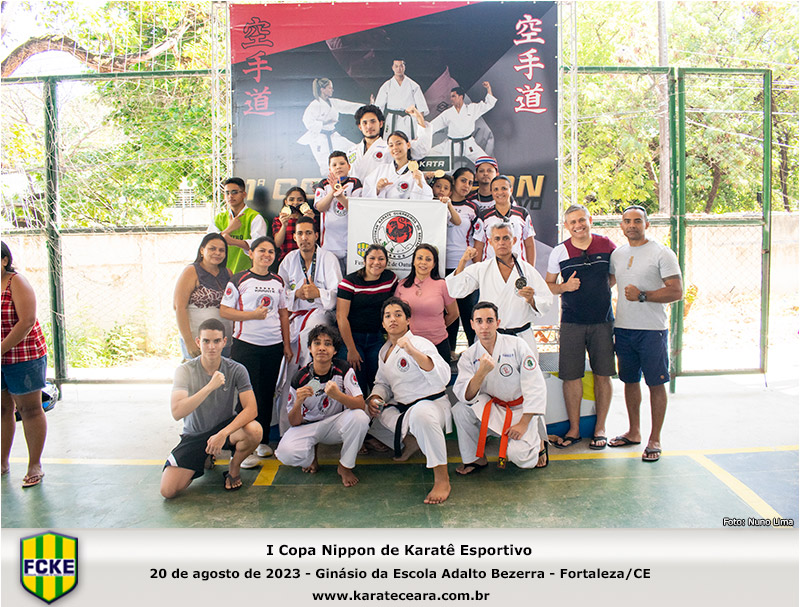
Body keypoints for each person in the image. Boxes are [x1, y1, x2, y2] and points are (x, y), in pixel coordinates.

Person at [609, 205, 683, 462]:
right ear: (621, 226)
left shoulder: (662, 253)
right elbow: (608, 282)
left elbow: (676, 291)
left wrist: (643, 295)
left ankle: (655, 439)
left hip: (652, 330)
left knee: (655, 383)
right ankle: (634, 431)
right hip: (624, 329)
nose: (632, 225)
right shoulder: (617, 254)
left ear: (647, 224)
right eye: (627, 221)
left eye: (637, 221)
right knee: (629, 381)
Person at [160, 319, 262, 497]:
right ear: (198, 342)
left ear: (224, 342)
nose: (211, 347)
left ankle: (233, 468)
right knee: (168, 491)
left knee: (254, 430)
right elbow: (177, 412)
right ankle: (205, 457)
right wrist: (209, 387)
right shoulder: (185, 370)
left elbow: (251, 410)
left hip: (224, 429)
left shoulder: (236, 369)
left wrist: (222, 434)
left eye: (216, 341)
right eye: (206, 341)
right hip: (195, 435)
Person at [365, 298, 452, 504]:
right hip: (405, 408)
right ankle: (410, 442)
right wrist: (376, 397)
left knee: (421, 415)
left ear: (408, 320)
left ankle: (442, 479)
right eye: (388, 316)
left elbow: (443, 376)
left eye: (398, 314)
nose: (393, 319)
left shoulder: (420, 343)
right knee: (370, 413)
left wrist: (412, 351)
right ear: (383, 323)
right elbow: (382, 383)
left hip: (432, 406)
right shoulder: (384, 351)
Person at [545, 204, 617, 450]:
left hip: (603, 322)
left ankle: (600, 428)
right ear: (566, 226)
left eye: (581, 220)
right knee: (571, 376)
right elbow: (548, 285)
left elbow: (613, 276)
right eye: (572, 222)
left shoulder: (607, 245)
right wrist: (565, 287)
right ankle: (574, 429)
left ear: (590, 220)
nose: (578, 225)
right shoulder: (560, 251)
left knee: (603, 375)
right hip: (572, 322)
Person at [220, 236, 292, 468]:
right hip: (246, 346)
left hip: (273, 346)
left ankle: (260, 440)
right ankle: (241, 449)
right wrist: (251, 315)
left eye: (270, 252)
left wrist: (286, 345)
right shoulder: (239, 279)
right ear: (251, 253)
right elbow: (225, 311)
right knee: (246, 397)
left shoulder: (278, 281)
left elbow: (283, 313)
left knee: (266, 393)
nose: (266, 255)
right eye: (261, 250)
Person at [452, 302, 548, 473]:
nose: (484, 326)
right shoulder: (469, 356)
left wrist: (523, 424)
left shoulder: (517, 345)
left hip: (520, 410)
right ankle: (475, 459)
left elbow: (535, 386)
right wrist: (481, 372)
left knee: (521, 458)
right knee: (461, 409)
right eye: (479, 321)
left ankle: (538, 441)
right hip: (494, 409)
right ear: (472, 324)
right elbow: (465, 395)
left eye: (489, 320)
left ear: (498, 323)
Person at [275, 325, 369, 487]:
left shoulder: (343, 369)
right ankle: (311, 457)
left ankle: (345, 466)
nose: (322, 348)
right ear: (310, 349)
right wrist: (298, 402)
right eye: (317, 343)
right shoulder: (300, 377)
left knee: (360, 418)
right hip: (309, 426)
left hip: (335, 424)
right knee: (285, 453)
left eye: (328, 344)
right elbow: (294, 422)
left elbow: (360, 404)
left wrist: (338, 396)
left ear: (335, 351)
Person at [446, 222, 552, 360]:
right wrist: (463, 261)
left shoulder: (527, 270)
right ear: (490, 242)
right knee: (487, 373)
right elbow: (455, 290)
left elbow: (546, 300)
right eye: (497, 239)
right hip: (490, 338)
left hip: (521, 338)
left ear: (514, 240)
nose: (501, 242)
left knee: (524, 373)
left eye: (506, 238)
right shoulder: (482, 268)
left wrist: (532, 300)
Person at [1, 242, 48, 488]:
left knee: (29, 410)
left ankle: (34, 465)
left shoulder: (16, 282)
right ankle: (2, 462)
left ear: (4, 260)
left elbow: (27, 321)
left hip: (23, 356)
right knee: (2, 409)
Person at [278, 216, 343, 368]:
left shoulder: (328, 258)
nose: (304, 237)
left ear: (316, 236)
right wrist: (296, 294)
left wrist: (318, 293)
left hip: (322, 312)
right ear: (294, 237)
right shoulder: (288, 260)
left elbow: (338, 293)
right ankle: (294, 381)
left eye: (308, 233)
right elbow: (279, 293)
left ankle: (310, 374)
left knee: (312, 331)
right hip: (295, 315)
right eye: (300, 233)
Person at [336, 244, 398, 395]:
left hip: (376, 338)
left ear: (386, 262)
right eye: (372, 258)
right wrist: (351, 349)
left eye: (381, 259)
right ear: (364, 261)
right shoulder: (349, 282)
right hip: (352, 338)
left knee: (379, 381)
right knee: (357, 385)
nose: (376, 262)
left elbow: (393, 309)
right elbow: (341, 317)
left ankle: (376, 409)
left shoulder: (390, 279)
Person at [173, 233, 233, 360]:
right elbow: (179, 307)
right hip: (198, 342)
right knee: (198, 373)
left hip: (224, 342)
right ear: (202, 250)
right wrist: (189, 342)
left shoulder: (228, 273)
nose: (217, 253)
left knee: (222, 373)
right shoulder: (191, 271)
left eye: (221, 250)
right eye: (212, 248)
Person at [395, 244, 458, 363]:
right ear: (413, 261)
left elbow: (454, 313)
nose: (423, 262)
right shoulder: (402, 285)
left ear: (434, 264)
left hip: (438, 343)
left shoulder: (442, 285)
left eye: (428, 259)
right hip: (410, 344)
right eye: (420, 258)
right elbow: (395, 314)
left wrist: (438, 328)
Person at [443, 167, 480, 357]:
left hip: (466, 267)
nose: (466, 185)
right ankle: (449, 352)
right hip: (442, 266)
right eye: (463, 180)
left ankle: (475, 352)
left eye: (470, 182)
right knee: (448, 313)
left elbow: (479, 237)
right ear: (454, 181)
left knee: (469, 312)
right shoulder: (436, 202)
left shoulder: (472, 207)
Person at [347, 105, 431, 182]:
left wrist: (419, 118)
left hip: (381, 192)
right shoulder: (351, 151)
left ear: (380, 124)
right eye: (365, 123)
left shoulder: (391, 147)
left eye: (373, 121)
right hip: (355, 193)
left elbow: (421, 148)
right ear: (360, 127)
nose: (369, 126)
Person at [297, 78, 362, 175]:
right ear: (322, 90)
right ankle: (326, 182)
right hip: (319, 138)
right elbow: (307, 122)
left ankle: (353, 173)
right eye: (330, 88)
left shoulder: (333, 102)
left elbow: (348, 106)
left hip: (333, 135)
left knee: (353, 149)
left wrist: (367, 107)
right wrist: (324, 123)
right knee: (325, 165)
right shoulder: (315, 105)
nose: (332, 90)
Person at [314, 151, 363, 273]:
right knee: (332, 277)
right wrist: (333, 191)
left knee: (350, 277)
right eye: (334, 165)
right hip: (329, 244)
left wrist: (340, 196)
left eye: (342, 163)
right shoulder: (323, 184)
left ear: (349, 166)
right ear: (330, 169)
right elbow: (320, 207)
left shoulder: (355, 183)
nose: (338, 167)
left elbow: (356, 210)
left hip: (351, 242)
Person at [429, 82, 496, 168]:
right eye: (451, 97)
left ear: (461, 97)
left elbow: (489, 104)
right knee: (430, 159)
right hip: (451, 145)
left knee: (487, 163)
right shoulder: (448, 113)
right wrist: (419, 136)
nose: (451, 99)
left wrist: (488, 88)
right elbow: (432, 126)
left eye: (453, 96)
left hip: (469, 144)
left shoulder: (472, 108)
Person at [473, 175, 536, 265]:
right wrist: (479, 270)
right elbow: (478, 246)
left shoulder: (522, 213)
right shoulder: (484, 216)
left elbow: (529, 244)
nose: (500, 192)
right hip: (491, 267)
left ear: (511, 190)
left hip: (517, 267)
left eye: (504, 188)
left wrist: (530, 269)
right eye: (496, 189)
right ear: (491, 192)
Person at [210, 177, 267, 274]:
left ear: (244, 194)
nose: (230, 196)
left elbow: (259, 247)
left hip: (248, 273)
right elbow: (209, 244)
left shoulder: (255, 217)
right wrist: (229, 229)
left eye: (234, 192)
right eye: (227, 193)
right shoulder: (219, 218)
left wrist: (233, 241)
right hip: (220, 273)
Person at [362, 131, 433, 199]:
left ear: (408, 145)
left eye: (399, 143)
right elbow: (366, 193)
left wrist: (419, 183)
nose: (395, 148)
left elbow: (425, 199)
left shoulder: (416, 174)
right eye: (391, 145)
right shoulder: (381, 169)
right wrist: (377, 189)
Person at [374, 58, 430, 139]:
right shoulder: (387, 85)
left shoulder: (413, 85)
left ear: (404, 67)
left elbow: (421, 108)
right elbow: (379, 107)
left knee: (410, 142)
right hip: (392, 119)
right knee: (390, 142)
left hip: (409, 120)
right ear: (392, 68)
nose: (399, 69)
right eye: (396, 66)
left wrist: (420, 127)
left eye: (401, 66)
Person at [272, 186, 317, 265]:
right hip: (286, 260)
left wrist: (310, 221)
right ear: (286, 202)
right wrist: (284, 225)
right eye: (291, 199)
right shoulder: (279, 220)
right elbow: (277, 244)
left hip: (308, 259)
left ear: (305, 203)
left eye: (299, 200)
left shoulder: (311, 218)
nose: (295, 203)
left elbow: (315, 239)